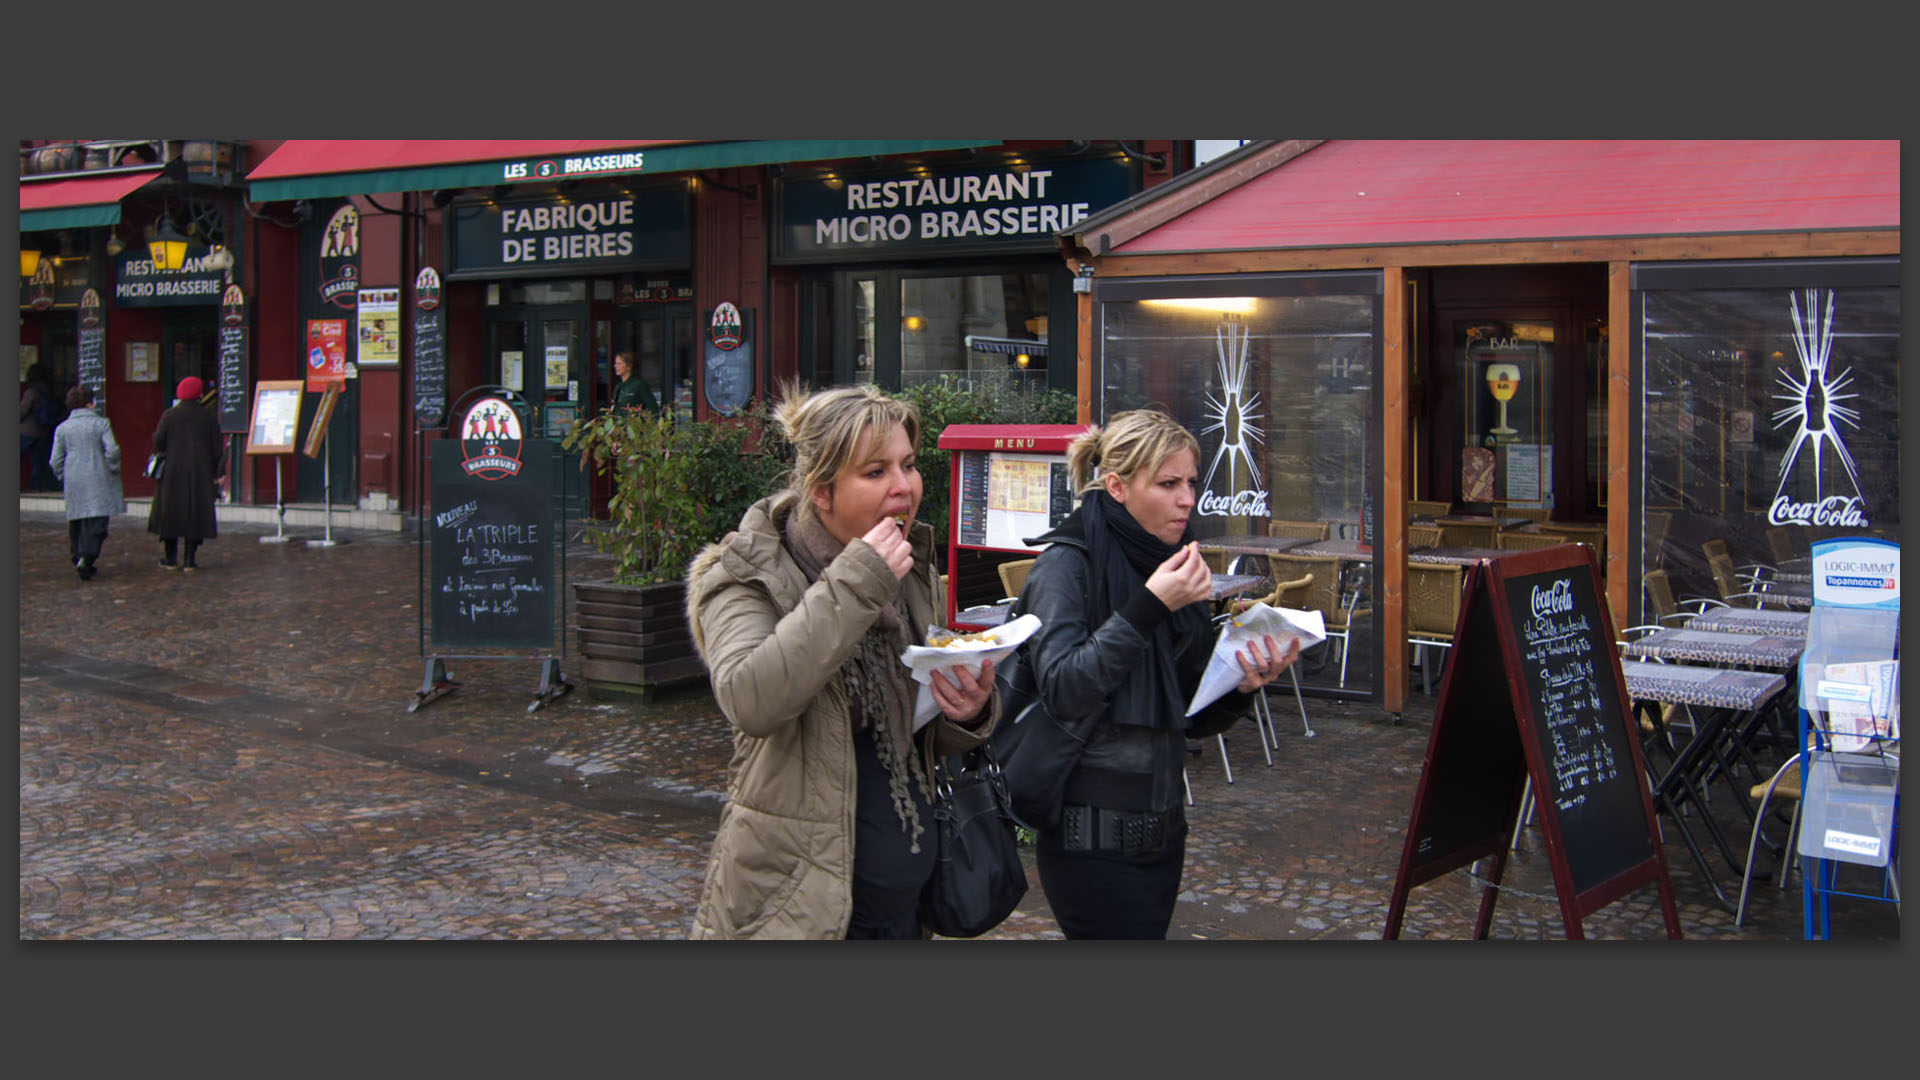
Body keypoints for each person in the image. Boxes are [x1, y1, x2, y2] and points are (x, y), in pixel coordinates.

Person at [683, 383, 998, 939]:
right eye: (875, 472)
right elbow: (751, 699)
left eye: (907, 465)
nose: (903, 487)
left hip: (904, 912)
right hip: (801, 912)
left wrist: (965, 712)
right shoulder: (743, 575)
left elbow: (909, 735)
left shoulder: (906, 568)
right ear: (821, 491)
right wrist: (857, 583)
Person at [1019, 409, 1300, 939]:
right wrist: (1149, 606)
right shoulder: (1066, 563)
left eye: (1191, 482)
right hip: (1090, 837)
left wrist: (1241, 684)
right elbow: (1063, 687)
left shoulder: (1171, 560)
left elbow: (1187, 716)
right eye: (1168, 484)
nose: (1187, 499)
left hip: (1164, 827)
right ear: (1117, 486)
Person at [147, 375, 224, 571]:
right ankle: (190, 559)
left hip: (172, 471)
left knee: (170, 514)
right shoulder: (207, 417)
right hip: (200, 472)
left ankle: (170, 558)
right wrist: (217, 472)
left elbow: (158, 441)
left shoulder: (170, 415)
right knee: (195, 515)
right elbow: (217, 449)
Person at [49, 384, 125, 581]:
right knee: (97, 520)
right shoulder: (101, 424)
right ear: (91, 403)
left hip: (73, 477)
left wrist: (61, 474)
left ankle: (78, 555)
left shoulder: (63, 428)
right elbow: (113, 450)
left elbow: (55, 459)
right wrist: (113, 467)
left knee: (77, 519)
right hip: (97, 475)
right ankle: (87, 557)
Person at [19, 363, 65, 491]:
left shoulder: (31, 391)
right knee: (38, 463)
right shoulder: (51, 391)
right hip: (43, 430)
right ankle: (37, 487)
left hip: (26, 432)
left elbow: (22, 411)